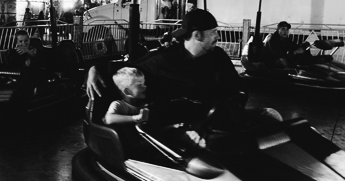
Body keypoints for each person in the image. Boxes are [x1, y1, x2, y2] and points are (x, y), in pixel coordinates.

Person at [87, 8, 243, 122]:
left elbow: (236, 89)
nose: (217, 36)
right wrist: (95, 69)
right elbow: (130, 67)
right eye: (213, 32)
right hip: (181, 127)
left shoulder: (219, 57)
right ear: (197, 35)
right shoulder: (164, 59)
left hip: (217, 122)